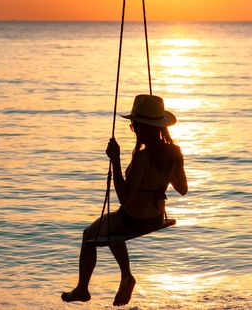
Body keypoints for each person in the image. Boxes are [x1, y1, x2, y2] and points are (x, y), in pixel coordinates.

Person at [61, 94, 188, 306]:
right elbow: (182, 189)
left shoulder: (143, 157)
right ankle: (126, 277)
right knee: (112, 229)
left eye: (133, 124)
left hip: (134, 218)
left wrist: (116, 161)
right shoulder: (174, 152)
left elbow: (125, 199)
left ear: (139, 127)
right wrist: (165, 173)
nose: (133, 128)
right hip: (156, 217)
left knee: (88, 234)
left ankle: (83, 288)